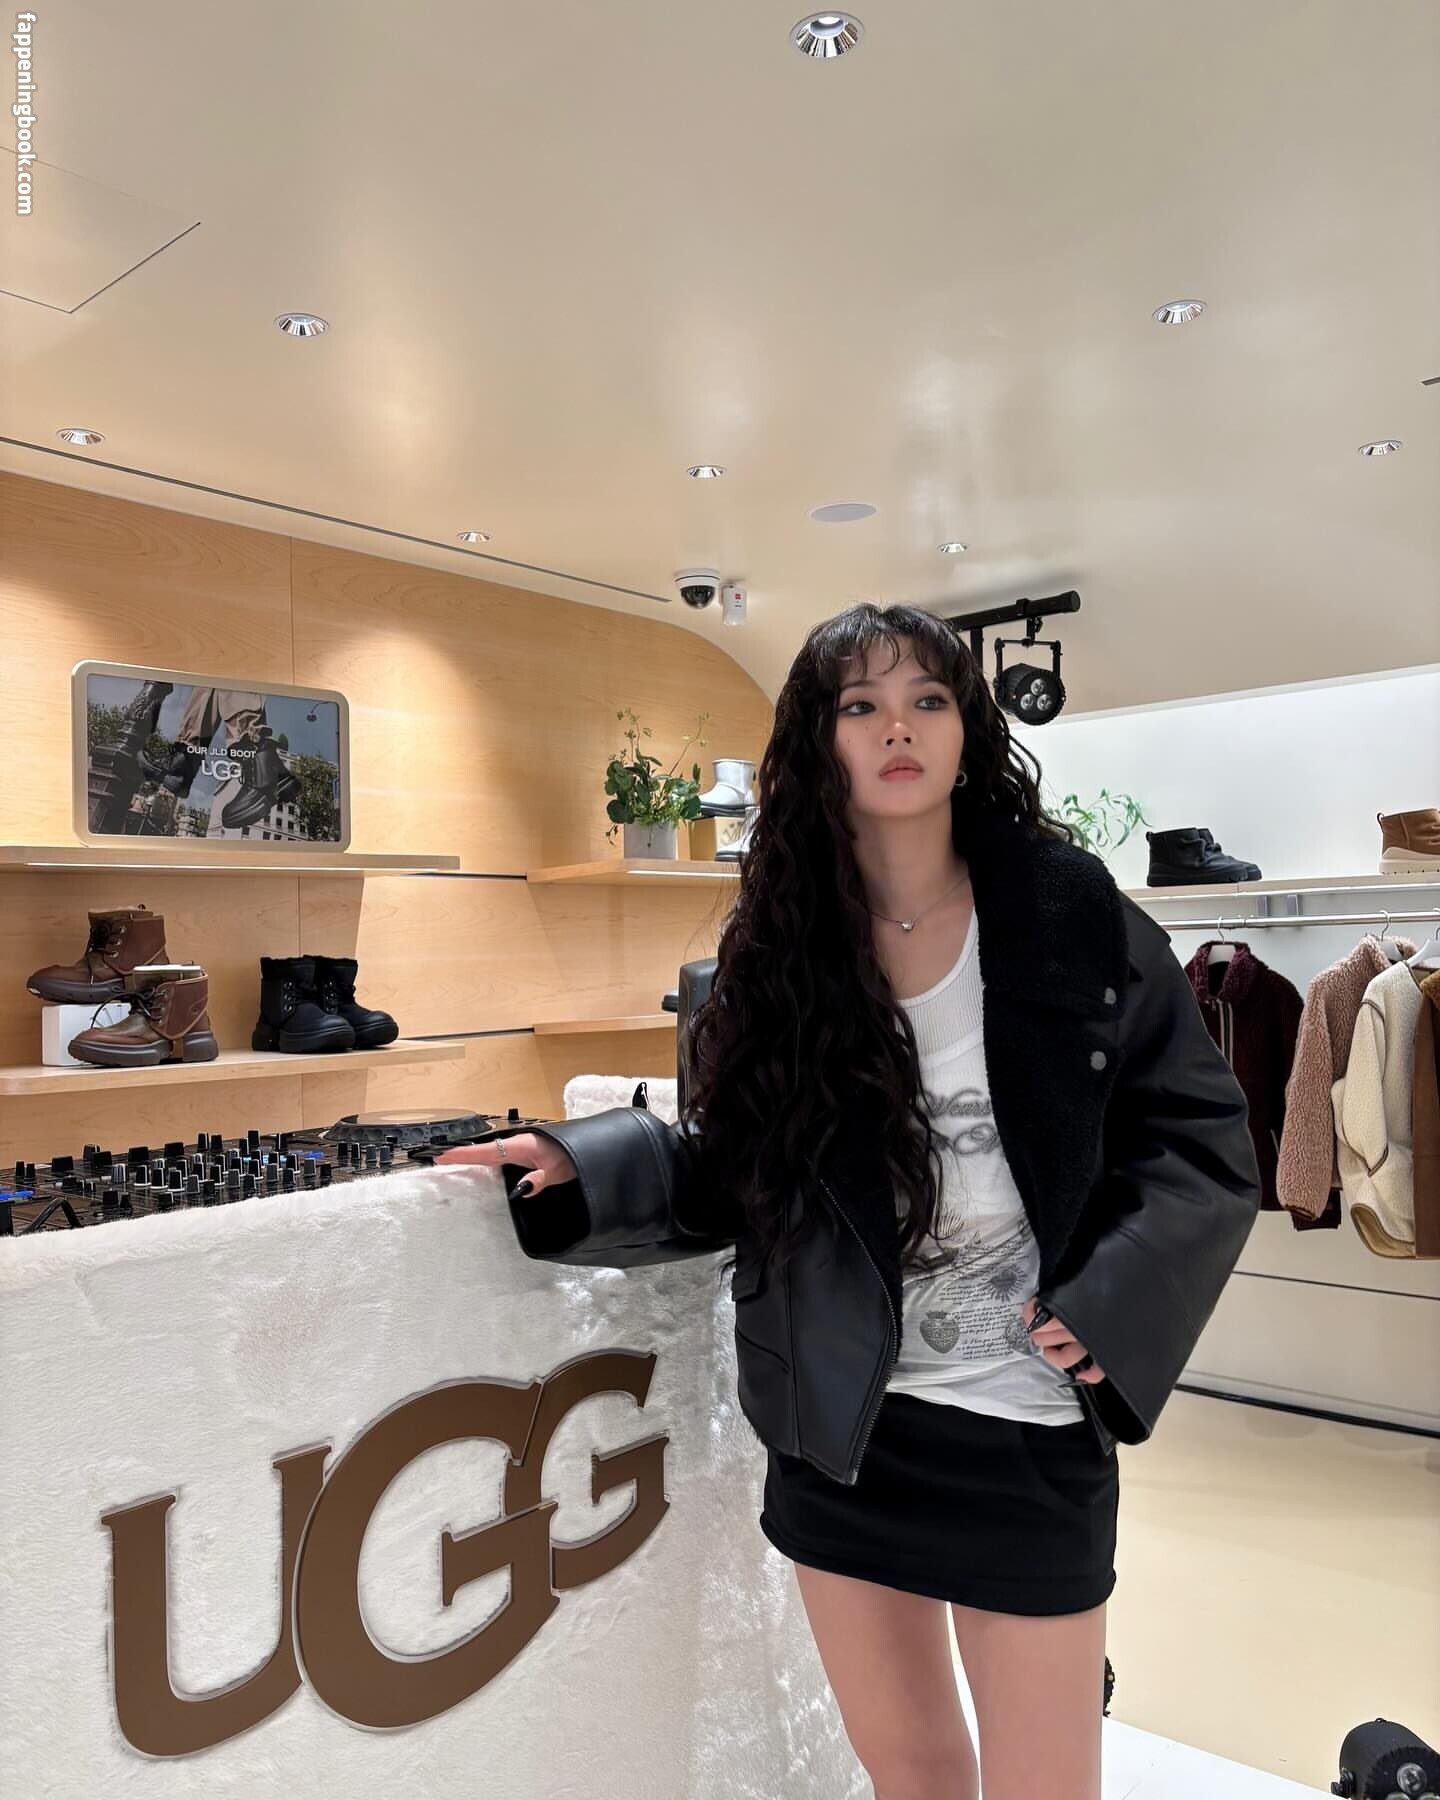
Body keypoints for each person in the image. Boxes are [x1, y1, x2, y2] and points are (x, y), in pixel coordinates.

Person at [438, 603, 1261, 1800]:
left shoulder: (1069, 912)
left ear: (969, 731)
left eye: (927, 700)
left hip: (1028, 1421)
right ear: (818, 742)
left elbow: (1203, 1136)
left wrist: (1117, 1303)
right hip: (842, 1424)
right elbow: (740, 1165)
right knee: (911, 1773)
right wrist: (594, 1164)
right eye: (860, 706)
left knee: (1046, 1785)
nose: (897, 729)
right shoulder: (778, 945)